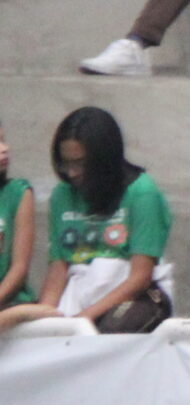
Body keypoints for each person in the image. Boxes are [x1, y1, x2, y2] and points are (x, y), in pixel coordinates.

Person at [31, 109, 172, 331]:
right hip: (77, 293)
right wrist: (45, 317)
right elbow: (58, 268)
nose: (72, 173)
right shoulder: (62, 195)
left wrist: (84, 318)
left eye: (80, 163)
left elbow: (140, 277)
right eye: (65, 164)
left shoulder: (142, 193)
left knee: (109, 331)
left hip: (129, 296)